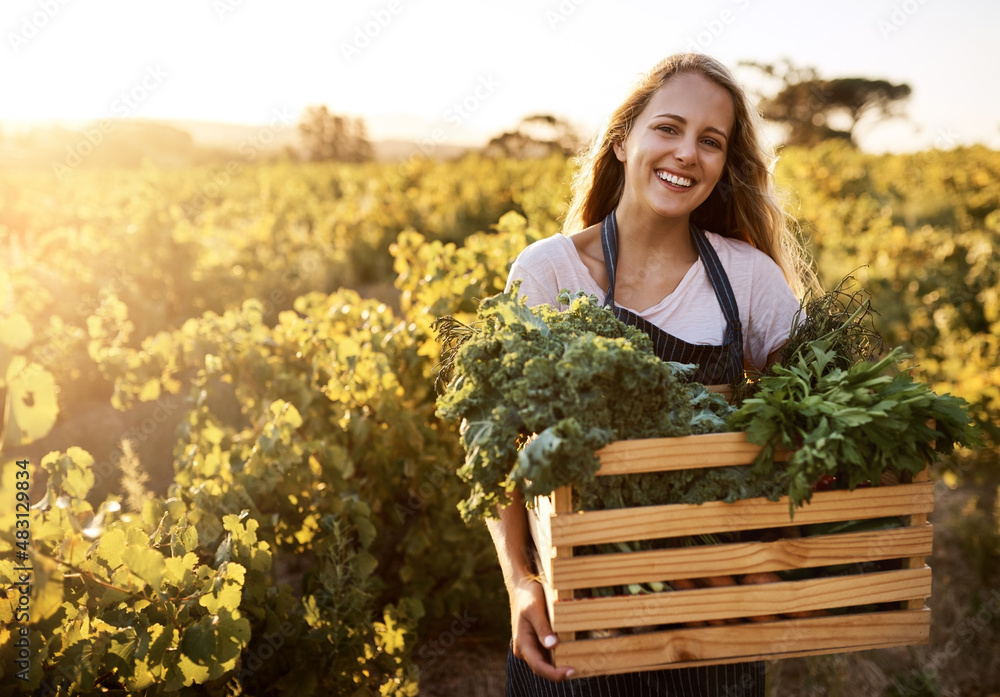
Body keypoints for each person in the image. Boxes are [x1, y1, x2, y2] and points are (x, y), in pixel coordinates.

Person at [489, 53, 819, 695]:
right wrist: (521, 584)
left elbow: (818, 405)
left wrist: (776, 553)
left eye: (711, 141)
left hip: (712, 618)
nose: (687, 153)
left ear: (726, 165)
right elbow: (499, 446)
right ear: (623, 139)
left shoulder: (746, 277)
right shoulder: (549, 271)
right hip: (582, 620)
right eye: (668, 128)